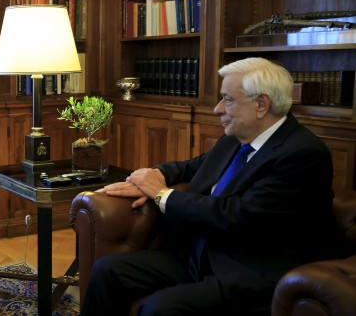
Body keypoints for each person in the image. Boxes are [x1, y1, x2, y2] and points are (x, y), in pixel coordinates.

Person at [80, 57, 338, 315]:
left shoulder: (302, 154)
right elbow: (192, 166)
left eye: (227, 99)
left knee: (159, 308)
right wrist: (151, 175)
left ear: (261, 104)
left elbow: (237, 215)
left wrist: (161, 195)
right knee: (107, 271)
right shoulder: (237, 138)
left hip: (252, 270)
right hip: (202, 254)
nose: (217, 109)